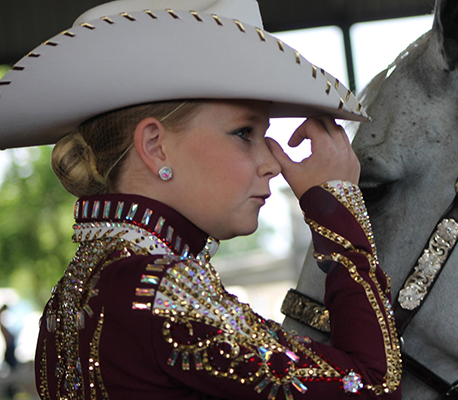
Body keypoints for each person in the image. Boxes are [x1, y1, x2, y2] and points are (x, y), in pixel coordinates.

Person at [0, 0, 402, 399]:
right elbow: (373, 386)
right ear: (155, 147)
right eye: (245, 133)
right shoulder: (161, 291)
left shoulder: (73, 293)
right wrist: (337, 208)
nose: (272, 163)